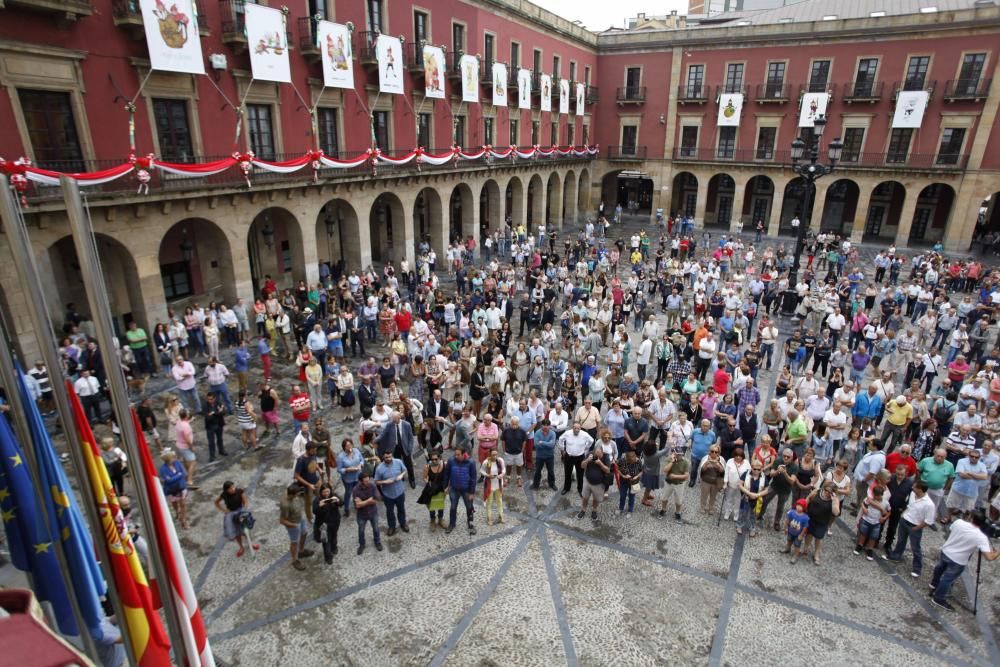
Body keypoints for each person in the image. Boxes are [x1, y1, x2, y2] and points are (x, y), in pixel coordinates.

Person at [929, 510, 1000, 611]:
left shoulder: (958, 522)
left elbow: (950, 530)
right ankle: (939, 598)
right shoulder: (981, 537)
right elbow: (989, 557)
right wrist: (998, 552)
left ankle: (934, 584)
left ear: (971, 518)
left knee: (939, 568)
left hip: (946, 551)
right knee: (948, 579)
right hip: (958, 560)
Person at [884, 481, 937, 577]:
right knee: (901, 541)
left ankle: (917, 569)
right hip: (905, 520)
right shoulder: (912, 494)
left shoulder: (929, 504)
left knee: (915, 547)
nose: (912, 487)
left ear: (920, 490)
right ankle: (896, 556)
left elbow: (928, 521)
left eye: (915, 487)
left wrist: (917, 528)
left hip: (915, 526)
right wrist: (903, 515)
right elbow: (908, 505)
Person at [797, 479, 841, 565]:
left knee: (819, 537)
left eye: (830, 491)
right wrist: (803, 509)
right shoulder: (817, 491)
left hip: (823, 521)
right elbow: (808, 498)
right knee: (809, 534)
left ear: (833, 492)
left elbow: (836, 512)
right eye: (826, 490)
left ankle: (816, 554)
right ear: (823, 488)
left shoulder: (835, 499)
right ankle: (805, 549)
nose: (827, 493)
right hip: (811, 517)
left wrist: (833, 501)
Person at [214, 481, 258, 557]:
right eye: (231, 488)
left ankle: (251, 543)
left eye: (233, 487)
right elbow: (216, 502)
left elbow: (245, 502)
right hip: (231, 514)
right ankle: (241, 547)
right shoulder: (224, 495)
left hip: (241, 511)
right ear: (226, 490)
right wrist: (224, 510)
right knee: (236, 532)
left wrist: (243, 512)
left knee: (245, 530)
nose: (233, 489)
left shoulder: (239, 491)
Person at [444, 447, 478, 535]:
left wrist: (472, 492)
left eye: (458, 454)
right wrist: (445, 487)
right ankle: (452, 524)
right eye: (455, 454)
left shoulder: (471, 462)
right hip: (454, 489)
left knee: (469, 507)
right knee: (453, 507)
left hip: (466, 490)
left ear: (464, 454)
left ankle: (470, 524)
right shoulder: (451, 461)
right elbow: (447, 474)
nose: (456, 456)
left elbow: (473, 478)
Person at [374, 451, 409, 536]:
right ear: (383, 457)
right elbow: (376, 482)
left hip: (400, 492)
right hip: (388, 495)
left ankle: (403, 523)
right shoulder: (379, 468)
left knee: (401, 509)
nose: (388, 459)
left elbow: (405, 469)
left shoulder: (398, 462)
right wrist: (385, 481)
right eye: (386, 457)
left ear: (392, 455)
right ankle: (391, 527)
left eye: (390, 457)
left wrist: (401, 475)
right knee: (390, 512)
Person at [854, 486, 890, 561]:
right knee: (863, 534)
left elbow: (889, 511)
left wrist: (884, 518)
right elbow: (863, 503)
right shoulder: (869, 499)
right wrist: (864, 508)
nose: (875, 497)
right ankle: (860, 545)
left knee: (873, 537)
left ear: (881, 495)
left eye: (877, 495)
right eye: (874, 495)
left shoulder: (885, 503)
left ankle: (870, 549)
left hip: (876, 522)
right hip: (866, 519)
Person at [578, 441, 612, 520]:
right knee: (585, 497)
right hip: (587, 481)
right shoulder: (590, 454)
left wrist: (600, 463)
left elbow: (607, 470)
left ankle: (594, 510)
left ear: (602, 452)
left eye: (599, 454)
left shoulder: (606, 457)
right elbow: (582, 466)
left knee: (596, 499)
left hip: (599, 484)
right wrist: (587, 460)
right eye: (596, 454)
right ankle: (583, 509)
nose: (597, 456)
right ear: (594, 451)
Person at [352, 471, 383, 554]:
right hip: (362, 515)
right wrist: (369, 500)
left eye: (368, 480)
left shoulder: (372, 486)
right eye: (365, 481)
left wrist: (363, 502)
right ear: (360, 481)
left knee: (376, 529)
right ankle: (362, 545)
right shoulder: (356, 490)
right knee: (361, 531)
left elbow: (378, 498)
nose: (368, 482)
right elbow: (357, 506)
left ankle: (377, 542)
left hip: (373, 512)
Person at [312, 482, 342, 564]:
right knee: (326, 541)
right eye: (324, 492)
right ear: (321, 492)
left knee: (334, 535)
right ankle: (328, 556)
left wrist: (337, 501)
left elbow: (341, 503)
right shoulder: (317, 500)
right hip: (324, 525)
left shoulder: (334, 495)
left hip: (335, 521)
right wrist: (320, 506)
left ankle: (334, 547)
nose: (326, 494)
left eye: (328, 491)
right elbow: (315, 511)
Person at [738, 460, 769, 537]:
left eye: (759, 469)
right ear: (751, 467)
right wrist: (749, 493)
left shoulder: (763, 477)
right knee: (743, 513)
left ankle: (752, 528)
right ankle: (739, 526)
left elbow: (767, 489)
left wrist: (757, 495)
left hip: (757, 500)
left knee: (754, 515)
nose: (756, 471)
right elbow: (740, 485)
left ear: (761, 469)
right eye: (755, 469)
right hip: (746, 498)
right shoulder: (746, 474)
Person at [658, 446, 689, 522]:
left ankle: (678, 512)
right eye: (677, 454)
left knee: (679, 500)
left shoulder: (686, 462)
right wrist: (672, 462)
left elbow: (686, 476)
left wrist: (675, 476)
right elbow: (665, 470)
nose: (679, 456)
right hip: (669, 482)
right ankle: (663, 509)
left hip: (679, 484)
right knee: (664, 498)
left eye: (681, 454)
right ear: (673, 453)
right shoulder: (669, 459)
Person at [419, 450, 447, 529]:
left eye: (436, 459)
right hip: (431, 490)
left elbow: (448, 477)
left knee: (440, 505)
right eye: (432, 459)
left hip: (441, 489)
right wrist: (427, 482)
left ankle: (440, 519)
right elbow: (424, 477)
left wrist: (447, 488)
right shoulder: (427, 466)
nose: (434, 461)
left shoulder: (445, 464)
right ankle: (432, 520)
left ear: (440, 458)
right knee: (431, 506)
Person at [173, 409, 198, 490]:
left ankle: (188, 473)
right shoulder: (186, 426)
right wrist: (192, 447)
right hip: (185, 446)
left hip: (179, 445)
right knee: (193, 462)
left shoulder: (179, 422)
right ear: (186, 416)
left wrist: (190, 420)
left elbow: (184, 424)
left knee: (185, 460)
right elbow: (187, 440)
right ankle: (189, 480)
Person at [480, 447, 506, 525]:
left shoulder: (500, 460)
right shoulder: (486, 462)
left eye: (496, 455)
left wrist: (502, 474)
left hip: (498, 484)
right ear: (490, 454)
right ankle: (489, 518)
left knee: (499, 501)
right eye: (493, 455)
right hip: (490, 485)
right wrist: (487, 475)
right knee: (489, 502)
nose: (495, 456)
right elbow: (481, 470)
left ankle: (501, 516)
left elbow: (504, 469)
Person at [782, 499, 811, 563]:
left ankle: (796, 555)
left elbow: (805, 527)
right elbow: (787, 520)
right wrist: (785, 528)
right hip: (790, 531)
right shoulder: (791, 512)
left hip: (798, 534)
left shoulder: (805, 517)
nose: (798, 507)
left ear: (804, 508)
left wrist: (801, 535)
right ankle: (787, 549)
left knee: (797, 545)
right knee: (789, 540)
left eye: (800, 506)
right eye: (797, 505)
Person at [532, 419, 558, 491]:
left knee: (551, 471)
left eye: (547, 425)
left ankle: (552, 484)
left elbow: (552, 445)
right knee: (537, 471)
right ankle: (535, 484)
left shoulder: (553, 433)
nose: (546, 427)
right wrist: (548, 443)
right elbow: (536, 445)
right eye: (544, 425)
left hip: (550, 456)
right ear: (541, 425)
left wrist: (542, 442)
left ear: (550, 426)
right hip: (539, 456)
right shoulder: (537, 432)